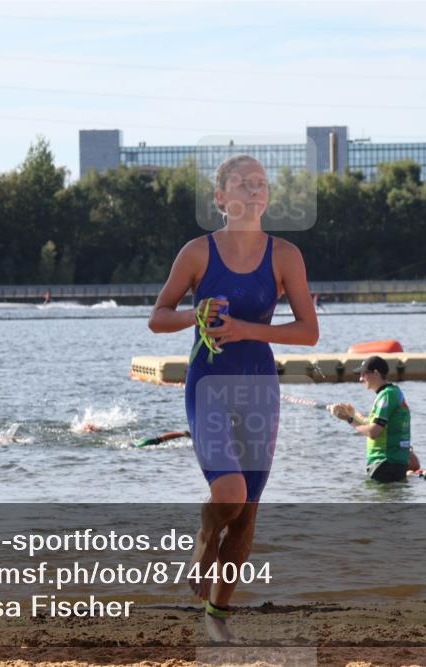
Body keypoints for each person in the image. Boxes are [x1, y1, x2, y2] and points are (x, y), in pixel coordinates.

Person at [148, 154, 318, 641]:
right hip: (209, 385)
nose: (254, 190)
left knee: (246, 517)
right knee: (229, 495)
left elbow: (309, 332)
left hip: (259, 389)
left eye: (260, 184)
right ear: (220, 198)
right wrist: (193, 313)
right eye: (242, 184)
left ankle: (218, 618)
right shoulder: (197, 253)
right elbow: (158, 316)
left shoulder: (285, 256)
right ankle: (204, 537)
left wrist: (246, 328)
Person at [328, 356, 412, 483]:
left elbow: (373, 432)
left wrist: (348, 419)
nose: (360, 379)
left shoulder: (387, 395)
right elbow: (373, 424)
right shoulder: (391, 392)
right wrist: (353, 413)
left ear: (376, 373)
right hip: (391, 464)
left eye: (364, 374)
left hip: (385, 464)